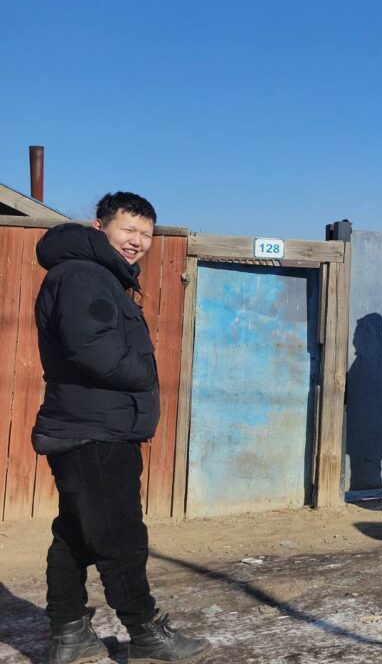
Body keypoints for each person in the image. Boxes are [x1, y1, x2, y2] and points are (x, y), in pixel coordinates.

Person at [32, 192, 211, 664]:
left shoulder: (92, 274)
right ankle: (145, 632)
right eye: (128, 229)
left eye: (146, 234)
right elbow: (92, 350)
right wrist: (146, 375)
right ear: (100, 227)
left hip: (86, 424)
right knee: (121, 536)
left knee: (76, 531)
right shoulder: (84, 275)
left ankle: (69, 633)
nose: (138, 241)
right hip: (96, 429)